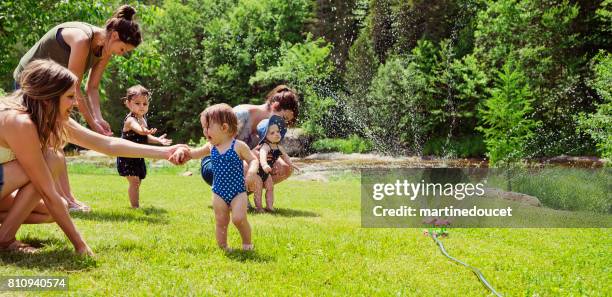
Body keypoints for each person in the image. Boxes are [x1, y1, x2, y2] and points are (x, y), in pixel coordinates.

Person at [0, 59, 188, 255]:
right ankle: (5, 239)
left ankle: (3, 237)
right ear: (49, 98)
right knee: (51, 159)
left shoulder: (50, 114)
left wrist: (166, 152)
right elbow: (46, 190)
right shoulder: (19, 122)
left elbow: (106, 144)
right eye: (70, 96)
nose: (75, 103)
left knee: (53, 207)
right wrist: (80, 245)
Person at [12, 5, 143, 212]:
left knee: (55, 140)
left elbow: (92, 87)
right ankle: (66, 200)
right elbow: (74, 87)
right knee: (52, 139)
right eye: (122, 49)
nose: (121, 54)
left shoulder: (105, 48)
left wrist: (98, 119)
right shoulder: (82, 40)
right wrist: (91, 124)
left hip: (54, 87)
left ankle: (64, 199)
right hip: (29, 82)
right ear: (115, 35)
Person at [189, 104, 259, 251]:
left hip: (238, 191)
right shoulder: (210, 147)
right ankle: (223, 247)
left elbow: (253, 160)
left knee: (239, 218)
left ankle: (247, 244)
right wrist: (182, 153)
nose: (204, 131)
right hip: (218, 191)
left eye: (207, 127)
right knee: (221, 220)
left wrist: (252, 173)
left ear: (224, 127)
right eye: (203, 127)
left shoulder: (238, 146)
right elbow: (193, 153)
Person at [201, 85, 299, 188]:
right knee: (255, 159)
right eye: (283, 118)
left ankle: (241, 196)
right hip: (213, 165)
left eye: (286, 122)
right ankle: (234, 196)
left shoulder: (270, 130)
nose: (282, 124)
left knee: (285, 168)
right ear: (275, 106)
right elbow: (216, 144)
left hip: (240, 165)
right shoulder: (241, 114)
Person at [117, 85, 172, 208]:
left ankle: (134, 203)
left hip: (137, 154)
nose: (142, 106)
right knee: (135, 182)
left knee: (138, 181)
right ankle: (135, 207)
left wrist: (158, 140)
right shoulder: (130, 120)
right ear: (128, 103)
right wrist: (143, 131)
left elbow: (145, 137)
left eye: (145, 104)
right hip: (127, 155)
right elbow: (139, 130)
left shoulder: (142, 118)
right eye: (137, 103)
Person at [253, 116, 299, 213]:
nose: (276, 134)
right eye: (272, 133)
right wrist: (265, 165)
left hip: (266, 173)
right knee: (258, 189)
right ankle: (259, 208)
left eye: (278, 131)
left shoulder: (279, 147)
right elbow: (262, 156)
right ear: (265, 136)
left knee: (270, 187)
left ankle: (269, 206)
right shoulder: (265, 146)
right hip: (257, 172)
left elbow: (285, 157)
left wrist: (291, 164)